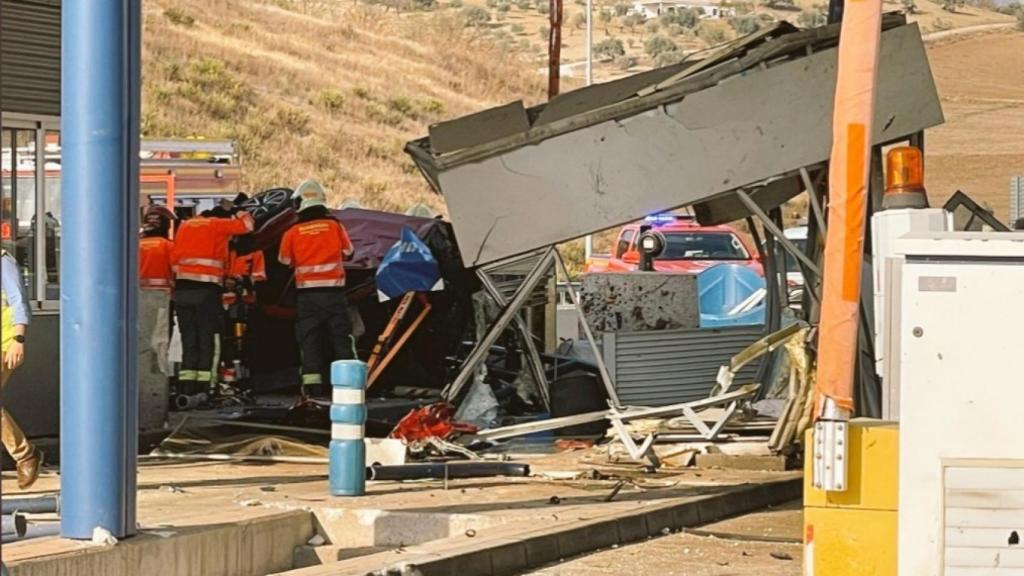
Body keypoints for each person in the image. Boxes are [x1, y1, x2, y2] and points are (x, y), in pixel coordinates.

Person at [279, 180, 355, 396]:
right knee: (341, 339)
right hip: (334, 295)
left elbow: (284, 261)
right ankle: (348, 387)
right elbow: (349, 252)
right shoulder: (334, 226)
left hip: (307, 298)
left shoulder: (292, 231)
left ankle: (312, 389)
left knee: (309, 341)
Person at [171, 204, 255, 395]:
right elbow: (248, 225)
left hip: (182, 291)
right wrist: (237, 209)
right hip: (205, 291)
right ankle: (204, 388)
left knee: (189, 340)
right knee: (206, 339)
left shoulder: (186, 225)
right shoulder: (217, 224)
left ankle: (187, 387)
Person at [1, 247, 43, 489]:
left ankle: (25, 455)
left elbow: (18, 300)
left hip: (5, 342)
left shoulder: (3, 261)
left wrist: (18, 340)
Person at [138, 206, 175, 426]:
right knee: (159, 347)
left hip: (137, 300)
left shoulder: (136, 245)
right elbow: (177, 271)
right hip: (160, 301)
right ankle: (156, 400)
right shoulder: (168, 246)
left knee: (141, 347)